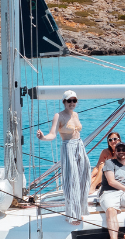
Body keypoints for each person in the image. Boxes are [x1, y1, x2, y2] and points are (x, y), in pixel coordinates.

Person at [37, 90, 90, 225]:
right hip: (68, 147)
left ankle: (80, 210)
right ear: (64, 102)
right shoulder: (59, 116)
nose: (72, 103)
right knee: (71, 181)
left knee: (84, 177)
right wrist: (43, 138)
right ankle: (72, 215)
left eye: (74, 100)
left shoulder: (76, 114)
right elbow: (53, 134)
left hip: (80, 146)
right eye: (69, 101)